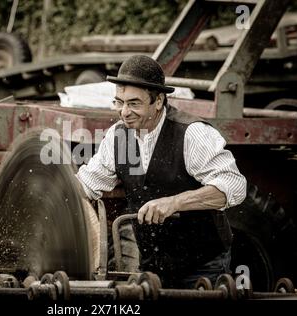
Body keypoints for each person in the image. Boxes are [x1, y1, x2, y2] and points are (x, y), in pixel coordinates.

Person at [76, 55, 247, 288]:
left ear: (158, 101)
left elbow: (234, 185)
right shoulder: (118, 137)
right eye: (119, 102)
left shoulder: (191, 134)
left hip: (202, 266)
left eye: (134, 103)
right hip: (152, 267)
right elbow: (86, 184)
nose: (124, 112)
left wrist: (175, 202)